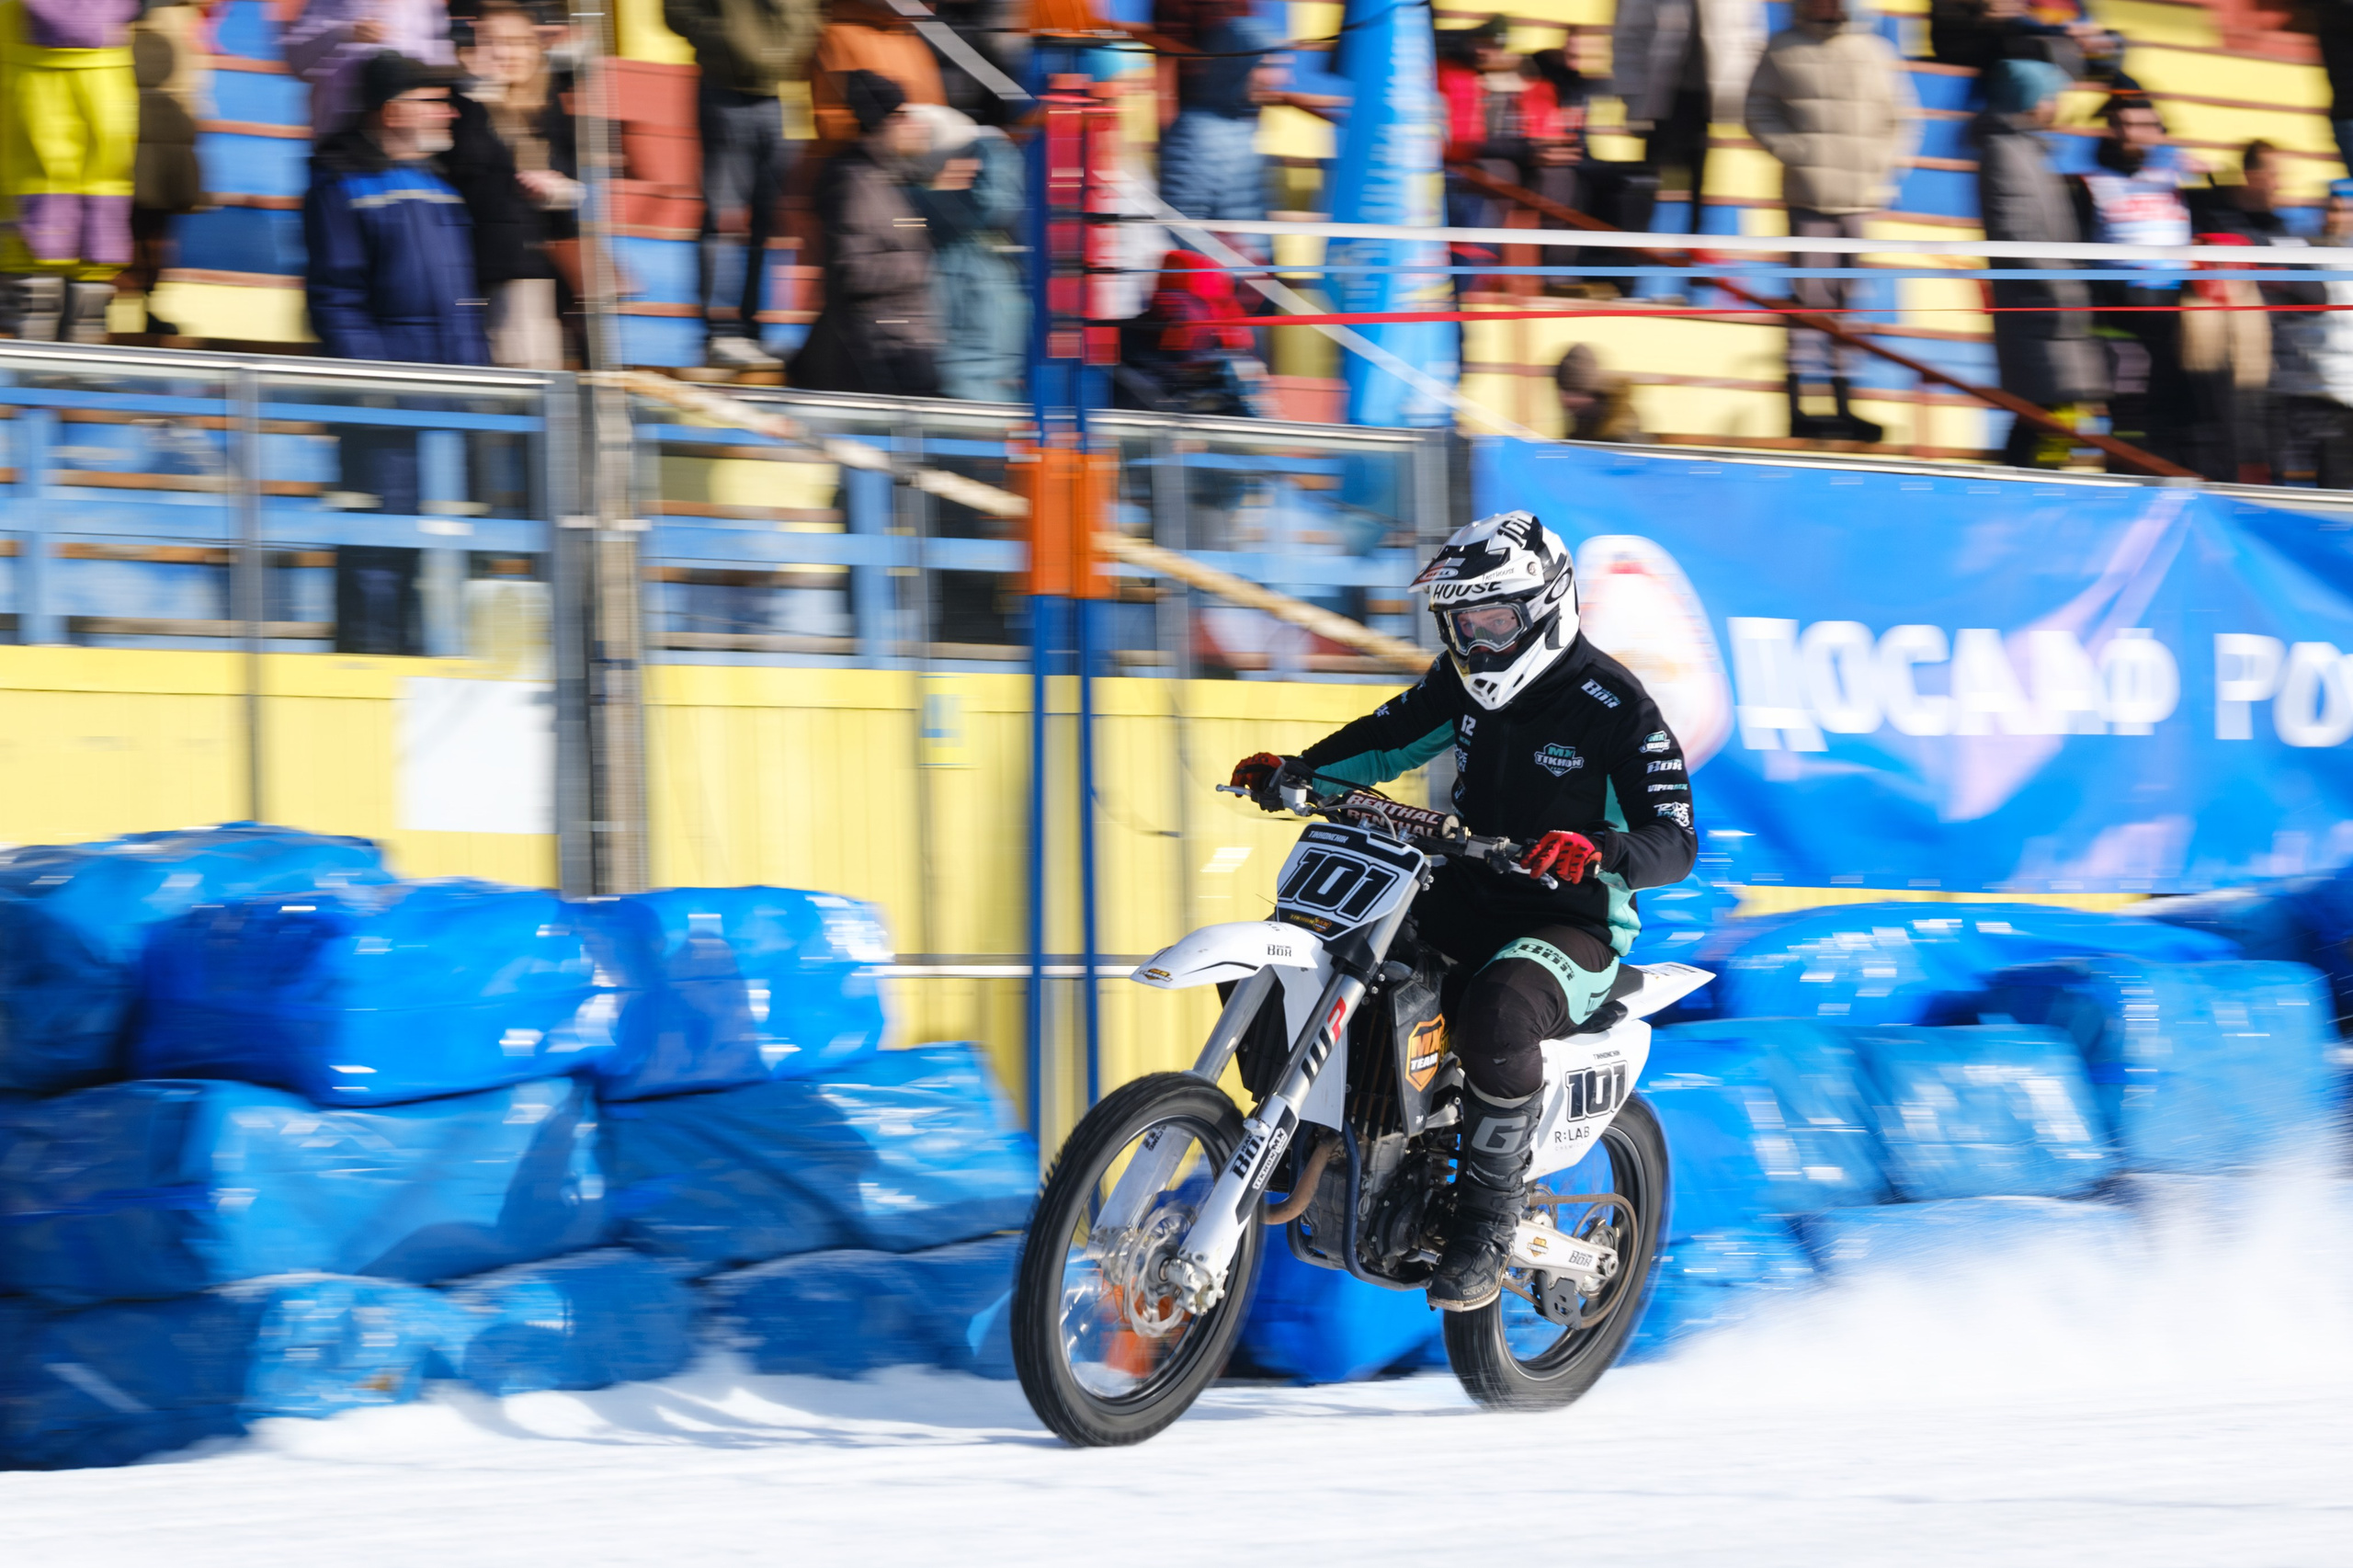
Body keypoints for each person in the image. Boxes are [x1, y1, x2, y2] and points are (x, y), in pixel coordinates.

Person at [1229, 511, 1696, 1312]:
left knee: (1500, 1011)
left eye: (1493, 622)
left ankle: (1485, 1222)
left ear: (1547, 608)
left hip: (1572, 923)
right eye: (1460, 624)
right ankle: (1298, 1129)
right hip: (1463, 888)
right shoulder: (1458, 682)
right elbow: (1383, 741)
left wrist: (1599, 849)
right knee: (1319, 952)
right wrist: (1295, 770)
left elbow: (1676, 840)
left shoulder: (1615, 706)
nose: (1476, 644)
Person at [1745, 0, 1915, 443]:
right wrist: (1797, 153)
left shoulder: (1877, 51)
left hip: (1861, 199)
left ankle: (1844, 403)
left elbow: (1903, 118)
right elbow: (1757, 110)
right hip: (1809, 197)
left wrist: (1886, 166)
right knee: (1807, 299)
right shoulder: (1781, 48)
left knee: (1849, 301)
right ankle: (1799, 404)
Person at [661, 0, 819, 373]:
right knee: (722, 218)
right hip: (724, 88)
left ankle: (753, 329)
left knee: (768, 222)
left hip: (784, 91)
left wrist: (791, 47)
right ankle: (720, 333)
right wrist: (727, 42)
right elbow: (676, 11)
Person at [1972, 57, 2105, 467]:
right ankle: (2024, 492)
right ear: (2031, 101)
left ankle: (2038, 487)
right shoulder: (2005, 152)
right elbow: (2018, 234)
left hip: (2054, 312)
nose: (2057, 106)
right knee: (2044, 419)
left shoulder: (2029, 149)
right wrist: (2064, 291)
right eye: (2052, 98)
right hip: (2039, 311)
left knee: (2057, 417)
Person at [446, 1, 579, 369]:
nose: (508, 52)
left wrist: (561, 190)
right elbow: (464, 170)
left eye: (520, 42)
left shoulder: (548, 107)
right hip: (497, 272)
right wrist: (482, 92)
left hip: (542, 274)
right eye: (495, 41)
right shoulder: (462, 104)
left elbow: (579, 184)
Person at [789, 71, 938, 396]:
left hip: (904, 340)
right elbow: (852, 270)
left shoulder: (891, 177)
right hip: (878, 349)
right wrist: (925, 264)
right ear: (882, 122)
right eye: (902, 115)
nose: (914, 125)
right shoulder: (853, 183)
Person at [2074, 94, 2201, 472]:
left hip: (2178, 317)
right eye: (2123, 125)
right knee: (2130, 420)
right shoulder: (2092, 183)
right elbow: (2079, 256)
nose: (2132, 134)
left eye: (2144, 126)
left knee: (2178, 414)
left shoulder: (2179, 181)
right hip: (2122, 318)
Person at [0, 1, 140, 344]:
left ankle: (29, 360)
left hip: (26, 78)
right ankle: (83, 359)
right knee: (99, 204)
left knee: (29, 204)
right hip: (105, 79)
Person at [904, 103, 1025, 403]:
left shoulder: (932, 210)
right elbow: (992, 203)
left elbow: (991, 203)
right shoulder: (932, 212)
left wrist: (984, 143)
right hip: (971, 373)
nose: (968, 168)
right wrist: (988, 144)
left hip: (974, 373)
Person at [1610, 0, 1764, 234]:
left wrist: (1743, 92)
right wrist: (1630, 95)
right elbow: (1628, 38)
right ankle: (1635, 249)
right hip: (1660, 96)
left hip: (1708, 98)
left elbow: (1751, 40)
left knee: (1700, 182)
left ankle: (1695, 252)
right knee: (1647, 182)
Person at [121, 0, 210, 339]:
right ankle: (114, 299)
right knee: (122, 217)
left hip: (173, 101)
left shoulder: (181, 15)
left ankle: (146, 301)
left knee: (156, 223)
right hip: (129, 91)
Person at [1110, 248, 1269, 416]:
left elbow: (1250, 422)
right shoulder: (1124, 339)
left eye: (1194, 303)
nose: (1177, 308)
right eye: (1168, 297)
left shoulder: (1226, 356)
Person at [2271, 179, 2353, 487]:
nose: (2337, 218)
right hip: (2322, 398)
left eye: (2346, 211)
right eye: (2332, 209)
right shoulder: (2307, 255)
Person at [285, 0, 456, 137]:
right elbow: (297, 60)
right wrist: (345, 33)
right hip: (342, 133)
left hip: (405, 139)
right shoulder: (329, 3)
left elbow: (440, 68)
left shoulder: (426, 5)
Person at [1555, 344, 1645, 440]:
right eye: (1564, 391)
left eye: (1573, 393)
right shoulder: (1585, 418)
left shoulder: (1619, 424)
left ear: (1591, 391)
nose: (1567, 400)